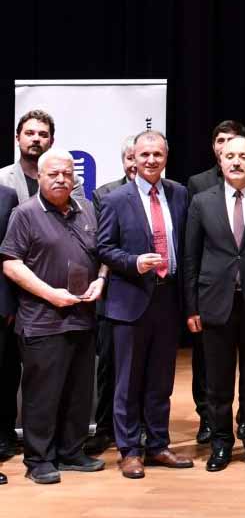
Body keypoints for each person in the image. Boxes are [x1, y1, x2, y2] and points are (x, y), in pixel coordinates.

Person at [1, 149, 105, 484]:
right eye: (53, 174)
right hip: (43, 320)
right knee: (42, 395)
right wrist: (50, 294)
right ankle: (39, 460)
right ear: (40, 177)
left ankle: (71, 452)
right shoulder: (25, 213)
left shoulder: (87, 209)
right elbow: (11, 264)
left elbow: (104, 252)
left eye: (66, 174)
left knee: (78, 391)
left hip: (83, 317)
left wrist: (101, 279)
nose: (61, 179)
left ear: (74, 178)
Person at [97, 130, 194, 479]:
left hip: (168, 298)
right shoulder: (114, 199)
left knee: (160, 380)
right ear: (133, 159)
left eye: (157, 154)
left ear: (166, 158)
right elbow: (103, 247)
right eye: (144, 155)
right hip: (130, 300)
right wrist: (134, 262)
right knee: (127, 382)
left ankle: (157, 444)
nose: (151, 160)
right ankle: (129, 450)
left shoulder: (179, 193)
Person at [182, 137, 245, 471]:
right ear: (220, 161)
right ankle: (221, 444)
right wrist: (191, 307)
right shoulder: (202, 201)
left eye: (244, 156)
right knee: (217, 382)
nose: (236, 162)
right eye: (230, 156)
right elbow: (191, 257)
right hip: (214, 302)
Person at [0, 110, 85, 461]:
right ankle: (7, 438)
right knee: (7, 372)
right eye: (30, 133)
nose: (36, 139)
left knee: (55, 377)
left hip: (58, 301)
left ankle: (62, 446)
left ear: (51, 140)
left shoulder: (72, 188)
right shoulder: (3, 183)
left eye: (43, 134)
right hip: (13, 293)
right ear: (17, 138)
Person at [85, 135, 139, 456]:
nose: (135, 164)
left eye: (140, 156)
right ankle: (105, 428)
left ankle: (140, 429)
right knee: (108, 365)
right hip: (114, 292)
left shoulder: (169, 193)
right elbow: (103, 244)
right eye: (130, 158)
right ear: (123, 161)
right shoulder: (104, 194)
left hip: (150, 294)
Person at [187, 120, 245, 195]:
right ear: (213, 147)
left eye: (231, 140)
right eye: (221, 141)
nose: (225, 145)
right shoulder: (197, 182)